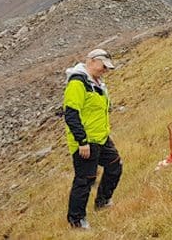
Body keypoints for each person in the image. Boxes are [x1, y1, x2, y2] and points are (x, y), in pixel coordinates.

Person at [62, 48, 122, 229]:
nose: (105, 70)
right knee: (85, 179)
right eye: (103, 66)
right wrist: (82, 141)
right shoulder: (77, 83)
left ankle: (103, 201)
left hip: (101, 138)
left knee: (115, 165)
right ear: (92, 61)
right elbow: (71, 114)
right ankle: (76, 220)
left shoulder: (97, 83)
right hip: (86, 142)